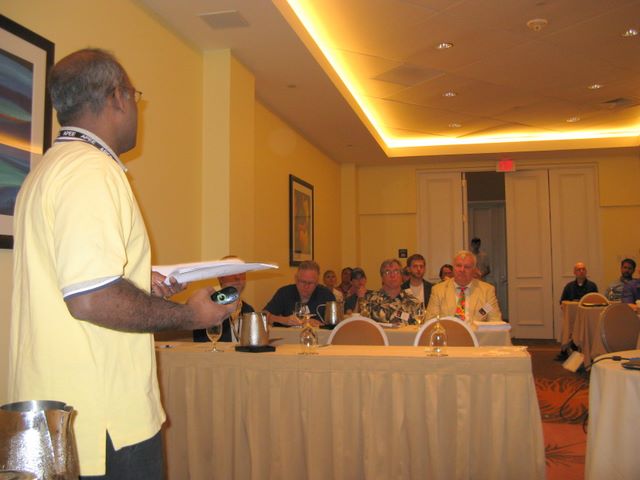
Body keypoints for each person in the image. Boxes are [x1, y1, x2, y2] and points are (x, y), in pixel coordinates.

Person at [8, 49, 237, 479]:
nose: (135, 109)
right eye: (135, 96)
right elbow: (91, 300)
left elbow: (71, 282)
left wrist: (136, 281)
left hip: (52, 416)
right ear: (117, 96)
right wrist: (190, 315)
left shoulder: (46, 171)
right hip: (100, 420)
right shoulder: (91, 171)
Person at [426, 250, 502, 323]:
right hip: (448, 331)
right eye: (458, 266)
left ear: (474, 270)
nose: (462, 270)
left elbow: (495, 321)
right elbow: (430, 321)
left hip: (476, 332)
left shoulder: (487, 291)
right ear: (453, 268)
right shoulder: (438, 290)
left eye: (467, 267)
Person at [193, 259, 255, 343]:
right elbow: (202, 344)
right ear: (220, 277)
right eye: (232, 272)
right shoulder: (208, 309)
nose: (237, 277)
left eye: (241, 272)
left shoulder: (249, 310)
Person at [264, 260, 335, 326]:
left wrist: (320, 325)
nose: (306, 286)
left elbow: (335, 326)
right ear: (296, 279)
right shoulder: (285, 293)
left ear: (317, 282)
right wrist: (284, 320)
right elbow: (263, 316)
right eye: (303, 282)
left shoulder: (327, 296)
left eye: (310, 283)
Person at [359, 259, 421, 324]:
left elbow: (418, 327)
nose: (392, 275)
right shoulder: (369, 300)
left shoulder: (413, 302)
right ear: (382, 277)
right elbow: (363, 325)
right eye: (387, 272)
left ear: (401, 276)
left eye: (396, 271)